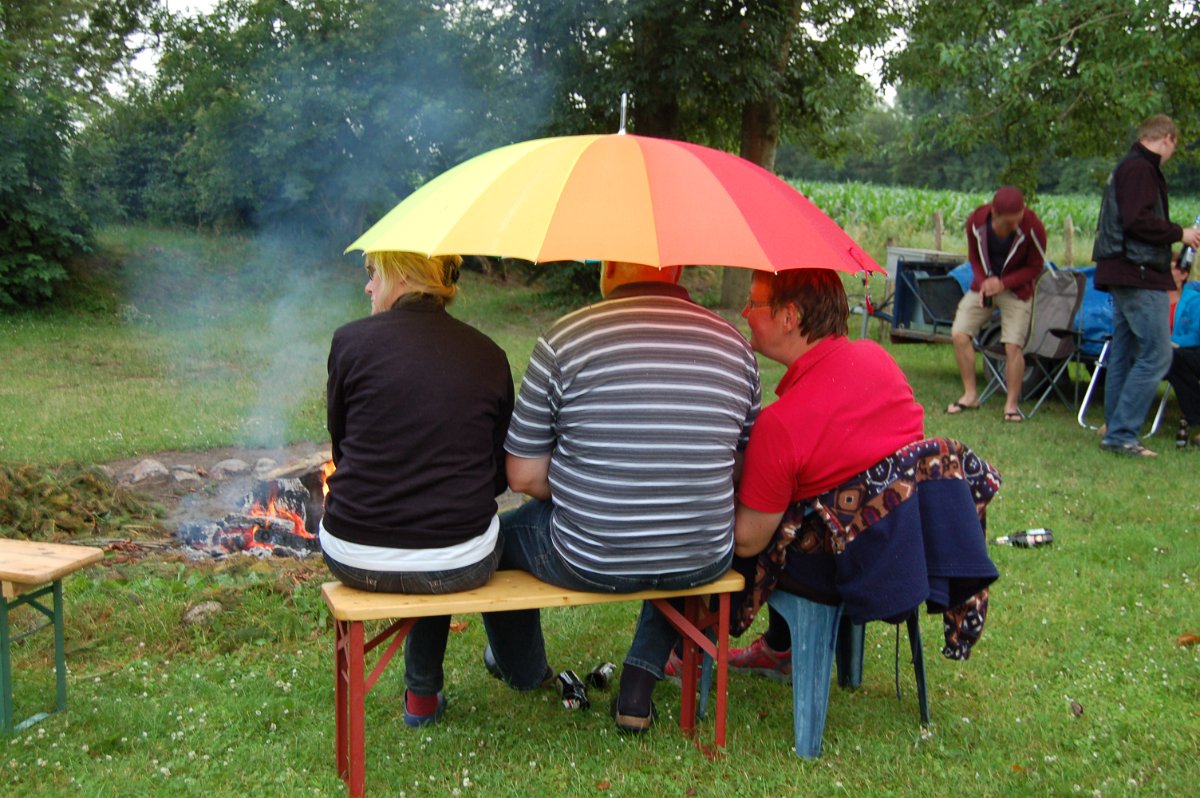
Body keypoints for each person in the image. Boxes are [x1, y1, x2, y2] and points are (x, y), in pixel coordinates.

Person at [481, 260, 761, 733]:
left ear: (610, 268)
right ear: (675, 269)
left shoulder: (566, 339)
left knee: (494, 539)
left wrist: (581, 486)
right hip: (703, 554)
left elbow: (523, 475)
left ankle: (524, 670)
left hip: (587, 557)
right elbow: (737, 467)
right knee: (673, 532)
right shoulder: (736, 347)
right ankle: (637, 688)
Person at [321, 250, 514, 727]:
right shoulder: (490, 354)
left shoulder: (349, 343)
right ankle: (424, 696)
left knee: (432, 537)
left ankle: (424, 698)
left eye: (373, 273)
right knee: (441, 538)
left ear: (403, 274)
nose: (368, 287)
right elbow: (497, 473)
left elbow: (341, 450)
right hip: (459, 560)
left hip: (353, 552)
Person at [724, 268, 926, 678]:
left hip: (831, 570)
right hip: (895, 550)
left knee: (718, 535)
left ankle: (679, 648)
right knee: (802, 508)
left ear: (788, 317)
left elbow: (747, 541)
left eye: (753, 302)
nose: (745, 312)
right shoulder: (879, 361)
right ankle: (782, 646)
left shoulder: (781, 424)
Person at [1093, 114, 1200, 457]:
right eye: (1174, 146)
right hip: (1137, 271)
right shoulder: (1140, 169)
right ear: (1167, 138)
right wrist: (1179, 233)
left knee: (1124, 352)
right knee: (1157, 352)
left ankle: (1114, 425)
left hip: (1121, 269)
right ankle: (1123, 433)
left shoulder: (1128, 166)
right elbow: (1138, 220)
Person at [946, 186, 1047, 422]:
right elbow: (974, 257)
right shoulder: (976, 222)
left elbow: (1035, 267)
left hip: (1017, 290)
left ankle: (1011, 406)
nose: (1015, 226)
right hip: (984, 286)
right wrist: (984, 282)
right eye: (1009, 223)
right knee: (959, 333)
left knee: (1013, 345)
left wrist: (1003, 283)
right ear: (994, 213)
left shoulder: (1033, 227)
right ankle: (970, 395)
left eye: (1018, 220)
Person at [1167, 256, 1200, 447]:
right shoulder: (1155, 300)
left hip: (1188, 350)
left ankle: (1194, 415)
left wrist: (1172, 343)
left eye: (1171, 269)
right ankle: (1118, 420)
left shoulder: (1194, 301)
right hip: (1158, 352)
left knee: (1173, 358)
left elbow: (1196, 334)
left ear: (1184, 274)